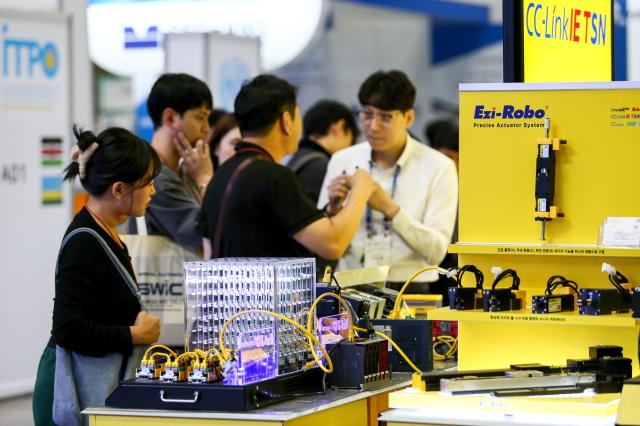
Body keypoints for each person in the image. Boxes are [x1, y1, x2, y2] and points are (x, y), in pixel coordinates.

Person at [33, 127, 162, 426]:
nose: (153, 191)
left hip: (93, 388)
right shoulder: (84, 242)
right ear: (118, 189)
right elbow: (68, 329)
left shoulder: (104, 232)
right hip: (68, 394)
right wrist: (135, 335)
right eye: (147, 183)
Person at [198, 74, 376, 260]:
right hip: (269, 289)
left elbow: (209, 253)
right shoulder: (274, 177)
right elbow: (332, 245)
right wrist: (361, 189)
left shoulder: (220, 176)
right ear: (286, 121)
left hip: (225, 288)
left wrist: (330, 213)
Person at [318, 70, 458, 290]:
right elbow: (322, 241)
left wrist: (390, 209)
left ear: (409, 117)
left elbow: (437, 251)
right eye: (366, 114)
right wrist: (333, 209)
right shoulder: (342, 160)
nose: (373, 126)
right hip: (349, 284)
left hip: (411, 287)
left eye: (385, 117)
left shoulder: (439, 167)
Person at [133, 73, 213, 254]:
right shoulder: (155, 176)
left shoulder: (182, 170)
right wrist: (205, 178)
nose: (206, 128)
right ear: (169, 118)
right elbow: (208, 236)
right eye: (200, 117)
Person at [287, 100, 359, 203]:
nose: (350, 149)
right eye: (351, 140)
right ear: (339, 127)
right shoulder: (326, 168)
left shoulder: (293, 159)